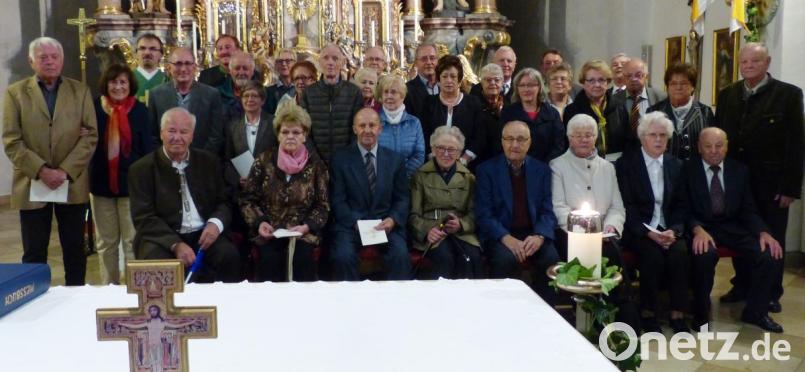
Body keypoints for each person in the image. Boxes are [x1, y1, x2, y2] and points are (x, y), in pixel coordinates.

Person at [2, 37, 98, 286]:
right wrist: (42, 170)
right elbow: (11, 140)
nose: (49, 62)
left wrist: (64, 171)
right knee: (34, 251)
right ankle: (34, 296)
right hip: (32, 180)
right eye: (43, 57)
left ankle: (76, 296)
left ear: (62, 60)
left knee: (74, 249)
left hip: (71, 181)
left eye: (54, 57)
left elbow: (90, 135)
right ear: (31, 61)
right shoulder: (15, 93)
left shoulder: (80, 91)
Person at [715, 43, 803, 313]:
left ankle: (771, 292)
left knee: (772, 238)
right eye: (744, 61)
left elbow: (796, 144)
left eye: (755, 61)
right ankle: (741, 284)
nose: (749, 66)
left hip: (771, 185)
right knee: (741, 235)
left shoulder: (788, 95)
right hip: (736, 183)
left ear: (768, 62)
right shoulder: (728, 95)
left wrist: (790, 187)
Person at [682, 127, 783, 333]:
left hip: (732, 226)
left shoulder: (739, 170)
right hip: (702, 226)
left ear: (727, 147)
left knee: (767, 253)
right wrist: (696, 229)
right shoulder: (687, 169)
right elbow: (681, 207)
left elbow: (748, 209)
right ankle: (701, 312)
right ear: (699, 147)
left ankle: (756, 312)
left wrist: (763, 232)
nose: (713, 151)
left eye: (719, 146)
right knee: (704, 255)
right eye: (708, 146)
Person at [129, 107, 240, 283]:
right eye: (171, 131)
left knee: (229, 256)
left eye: (184, 132)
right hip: (163, 237)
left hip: (203, 233)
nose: (177, 137)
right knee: (158, 265)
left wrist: (215, 224)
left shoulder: (209, 161)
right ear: (161, 133)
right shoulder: (141, 169)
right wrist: (175, 244)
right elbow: (144, 217)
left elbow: (224, 201)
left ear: (192, 136)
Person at [615, 112, 689, 334]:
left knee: (680, 253)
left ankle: (678, 312)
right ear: (642, 137)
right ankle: (648, 312)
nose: (658, 140)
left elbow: (682, 204)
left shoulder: (676, 165)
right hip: (640, 230)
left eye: (663, 135)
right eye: (653, 135)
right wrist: (647, 233)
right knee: (652, 256)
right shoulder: (626, 164)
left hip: (668, 229)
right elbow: (626, 205)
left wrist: (674, 230)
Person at [239, 103, 329, 282]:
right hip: (269, 231)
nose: (290, 136)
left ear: (305, 135)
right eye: (285, 132)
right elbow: (247, 200)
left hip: (302, 233)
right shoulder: (263, 161)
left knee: (302, 261)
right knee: (270, 262)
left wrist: (307, 226)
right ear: (278, 135)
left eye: (296, 132)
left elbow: (323, 206)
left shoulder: (317, 166)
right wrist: (260, 223)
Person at [475, 120, 559, 303]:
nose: (514, 144)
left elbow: (547, 210)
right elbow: (484, 214)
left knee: (550, 258)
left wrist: (540, 236)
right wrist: (506, 238)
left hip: (533, 233)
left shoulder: (542, 170)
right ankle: (503, 310)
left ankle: (545, 311)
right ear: (502, 141)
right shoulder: (486, 170)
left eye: (521, 139)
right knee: (505, 259)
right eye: (509, 139)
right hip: (501, 234)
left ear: (529, 142)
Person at [329, 108, 411, 280]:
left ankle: (398, 297)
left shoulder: (395, 160)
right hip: (352, 226)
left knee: (400, 255)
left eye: (372, 125)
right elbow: (338, 200)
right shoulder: (340, 160)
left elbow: (402, 198)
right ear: (354, 129)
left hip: (385, 224)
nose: (367, 130)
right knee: (342, 257)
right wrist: (355, 223)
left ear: (380, 128)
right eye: (362, 125)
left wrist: (393, 219)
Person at [90, 64, 154, 285]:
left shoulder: (140, 110)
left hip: (132, 187)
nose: (118, 87)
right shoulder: (94, 109)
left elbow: (147, 150)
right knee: (106, 243)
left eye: (123, 82)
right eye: (113, 82)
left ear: (130, 85)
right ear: (106, 84)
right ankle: (109, 288)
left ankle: (134, 290)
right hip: (101, 185)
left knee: (131, 241)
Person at [410, 126, 481, 279]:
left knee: (471, 257)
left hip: (461, 234)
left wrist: (461, 224)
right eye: (441, 148)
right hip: (434, 233)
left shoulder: (469, 178)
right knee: (444, 258)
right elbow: (413, 215)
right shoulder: (420, 176)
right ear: (433, 150)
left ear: (459, 153)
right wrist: (428, 230)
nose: (446, 154)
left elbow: (475, 212)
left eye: (452, 149)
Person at [147, 47, 225, 155]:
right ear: (169, 67)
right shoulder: (156, 95)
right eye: (178, 64)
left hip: (202, 159)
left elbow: (216, 135)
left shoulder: (211, 95)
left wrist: (202, 158)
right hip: (166, 160)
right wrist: (164, 158)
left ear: (195, 67)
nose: (183, 69)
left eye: (188, 63)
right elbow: (152, 134)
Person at [301, 43, 363, 162]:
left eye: (335, 58)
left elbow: (357, 129)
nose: (330, 62)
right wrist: (315, 159)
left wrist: (347, 157)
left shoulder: (354, 92)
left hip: (346, 161)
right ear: (319, 62)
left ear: (342, 62)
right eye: (326, 58)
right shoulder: (308, 93)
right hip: (315, 161)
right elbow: (304, 130)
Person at [420, 55, 486, 167]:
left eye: (453, 76)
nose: (449, 80)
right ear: (439, 80)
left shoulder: (473, 103)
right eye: (444, 76)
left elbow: (480, 137)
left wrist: (464, 159)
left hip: (466, 166)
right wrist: (436, 160)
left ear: (459, 80)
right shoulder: (428, 103)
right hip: (433, 165)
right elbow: (424, 135)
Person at [647, 62, 714, 161]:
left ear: (693, 87)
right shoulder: (653, 111)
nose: (678, 87)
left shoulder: (705, 112)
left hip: (695, 169)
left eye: (683, 83)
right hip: (663, 169)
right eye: (673, 83)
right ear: (667, 87)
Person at [563, 60, 628, 157]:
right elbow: (568, 144)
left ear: (607, 82)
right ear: (583, 83)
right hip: (584, 162)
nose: (597, 85)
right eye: (591, 80)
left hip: (616, 163)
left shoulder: (620, 107)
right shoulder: (572, 111)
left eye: (601, 80)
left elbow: (627, 140)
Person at [500, 68, 566, 163]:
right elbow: (501, 143)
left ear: (539, 87)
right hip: (514, 166)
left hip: (547, 166)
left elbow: (559, 145)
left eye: (531, 85)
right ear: (517, 88)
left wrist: (543, 166)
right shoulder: (508, 113)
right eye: (522, 85)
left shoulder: (552, 113)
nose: (526, 89)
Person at [376, 74, 425, 178]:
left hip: (408, 180)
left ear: (402, 96)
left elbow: (419, 154)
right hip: (380, 180)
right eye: (386, 92)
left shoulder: (414, 123)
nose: (389, 96)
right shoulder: (374, 122)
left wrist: (403, 175)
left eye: (393, 92)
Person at [614, 58, 667, 151]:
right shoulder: (614, 100)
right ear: (624, 78)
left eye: (638, 75)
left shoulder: (661, 97)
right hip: (623, 153)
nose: (633, 79)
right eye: (629, 76)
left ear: (646, 76)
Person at [471, 63, 505, 160]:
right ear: (481, 83)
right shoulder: (472, 105)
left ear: (502, 82)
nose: (493, 83)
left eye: (497, 80)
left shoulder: (508, 105)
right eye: (488, 80)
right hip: (477, 160)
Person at [404, 44, 439, 121]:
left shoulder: (445, 86)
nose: (429, 62)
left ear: (437, 61)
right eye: (424, 59)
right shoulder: (407, 90)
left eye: (432, 58)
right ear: (416, 63)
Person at [220, 51, 258, 123]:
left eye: (245, 68)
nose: (241, 73)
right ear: (230, 71)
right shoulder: (217, 94)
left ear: (252, 71)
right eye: (237, 68)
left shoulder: (264, 95)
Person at [133, 33, 167, 103]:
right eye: (142, 48)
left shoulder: (168, 80)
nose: (147, 53)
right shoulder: (126, 79)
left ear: (161, 54)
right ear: (135, 53)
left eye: (153, 49)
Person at [263, 48, 297, 114]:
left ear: (295, 64)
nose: (283, 64)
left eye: (288, 61)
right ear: (275, 65)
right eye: (280, 61)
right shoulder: (267, 92)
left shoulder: (302, 89)